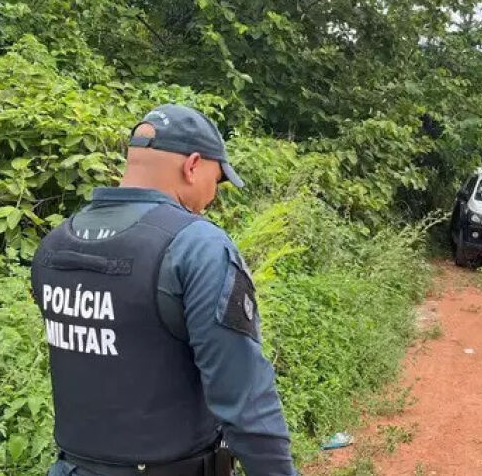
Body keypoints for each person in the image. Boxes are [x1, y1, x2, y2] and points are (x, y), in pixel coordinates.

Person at [31, 104, 296, 476]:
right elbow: (245, 399)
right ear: (191, 165)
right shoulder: (196, 246)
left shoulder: (56, 244)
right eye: (216, 180)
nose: (213, 197)